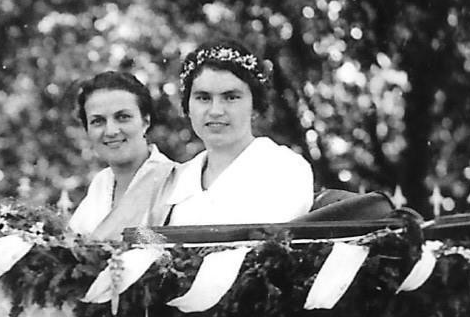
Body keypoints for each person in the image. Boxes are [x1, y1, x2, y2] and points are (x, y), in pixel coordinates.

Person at [156, 42, 314, 226]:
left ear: (255, 106)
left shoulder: (284, 168)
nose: (216, 111)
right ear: (188, 107)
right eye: (203, 98)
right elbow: (149, 237)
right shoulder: (177, 179)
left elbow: (265, 239)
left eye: (231, 97)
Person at [64, 70, 175, 238]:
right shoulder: (101, 183)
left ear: (145, 121)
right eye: (98, 121)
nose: (111, 131)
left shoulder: (173, 181)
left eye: (123, 117)